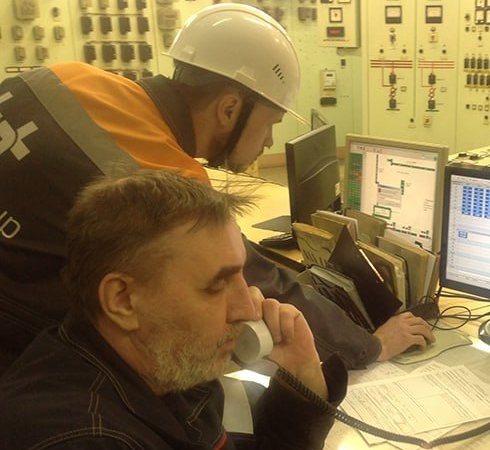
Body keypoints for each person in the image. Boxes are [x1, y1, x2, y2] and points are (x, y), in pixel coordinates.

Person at [0, 3, 433, 373]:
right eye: (271, 123)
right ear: (229, 109)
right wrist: (370, 346)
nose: (268, 141)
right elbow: (252, 281)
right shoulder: (160, 177)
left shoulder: (67, 76)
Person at [0, 170, 346, 449]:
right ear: (123, 300)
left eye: (241, 275)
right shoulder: (84, 439)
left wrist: (302, 382)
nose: (249, 307)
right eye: (217, 284)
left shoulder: (168, 363)